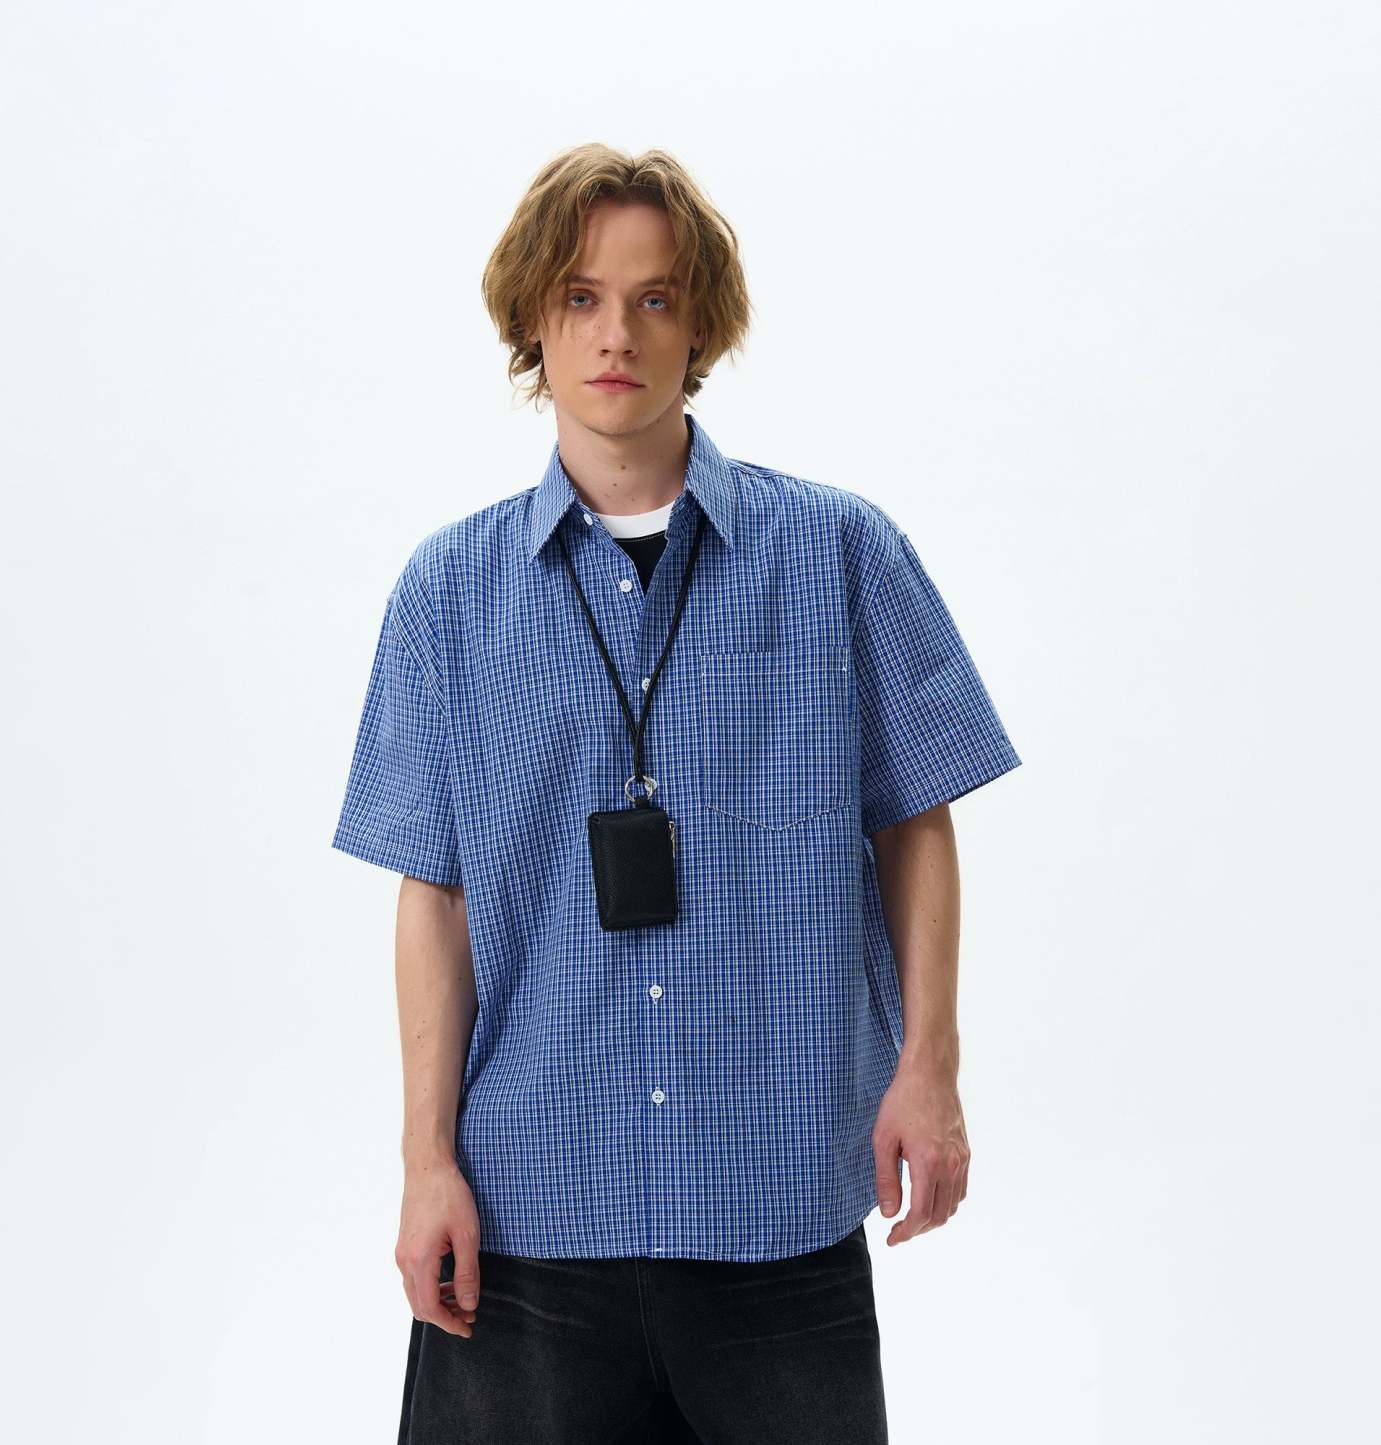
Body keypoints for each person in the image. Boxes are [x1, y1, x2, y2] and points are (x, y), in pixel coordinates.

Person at [332, 143, 1022, 1445]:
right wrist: (426, 1160)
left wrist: (928, 1069)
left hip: (775, 1207)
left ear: (700, 323)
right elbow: (437, 897)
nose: (617, 334)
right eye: (581, 297)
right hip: (528, 1220)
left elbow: (914, 820)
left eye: (654, 298)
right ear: (532, 322)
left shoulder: (839, 554)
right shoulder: (447, 596)